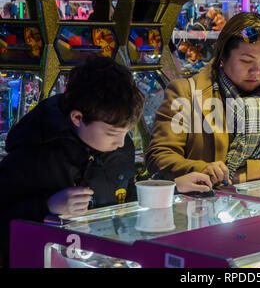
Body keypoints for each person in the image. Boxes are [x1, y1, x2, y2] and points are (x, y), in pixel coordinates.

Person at [0, 57, 212, 267]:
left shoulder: (116, 145)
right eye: (112, 133)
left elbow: (124, 197)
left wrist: (172, 186)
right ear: (77, 118)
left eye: (126, 133)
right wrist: (48, 205)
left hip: (97, 257)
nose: (120, 142)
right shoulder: (34, 151)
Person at [146, 12, 260, 185]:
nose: (257, 71)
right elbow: (159, 156)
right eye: (246, 61)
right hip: (200, 205)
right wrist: (201, 169)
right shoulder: (186, 93)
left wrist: (243, 176)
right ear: (223, 56)